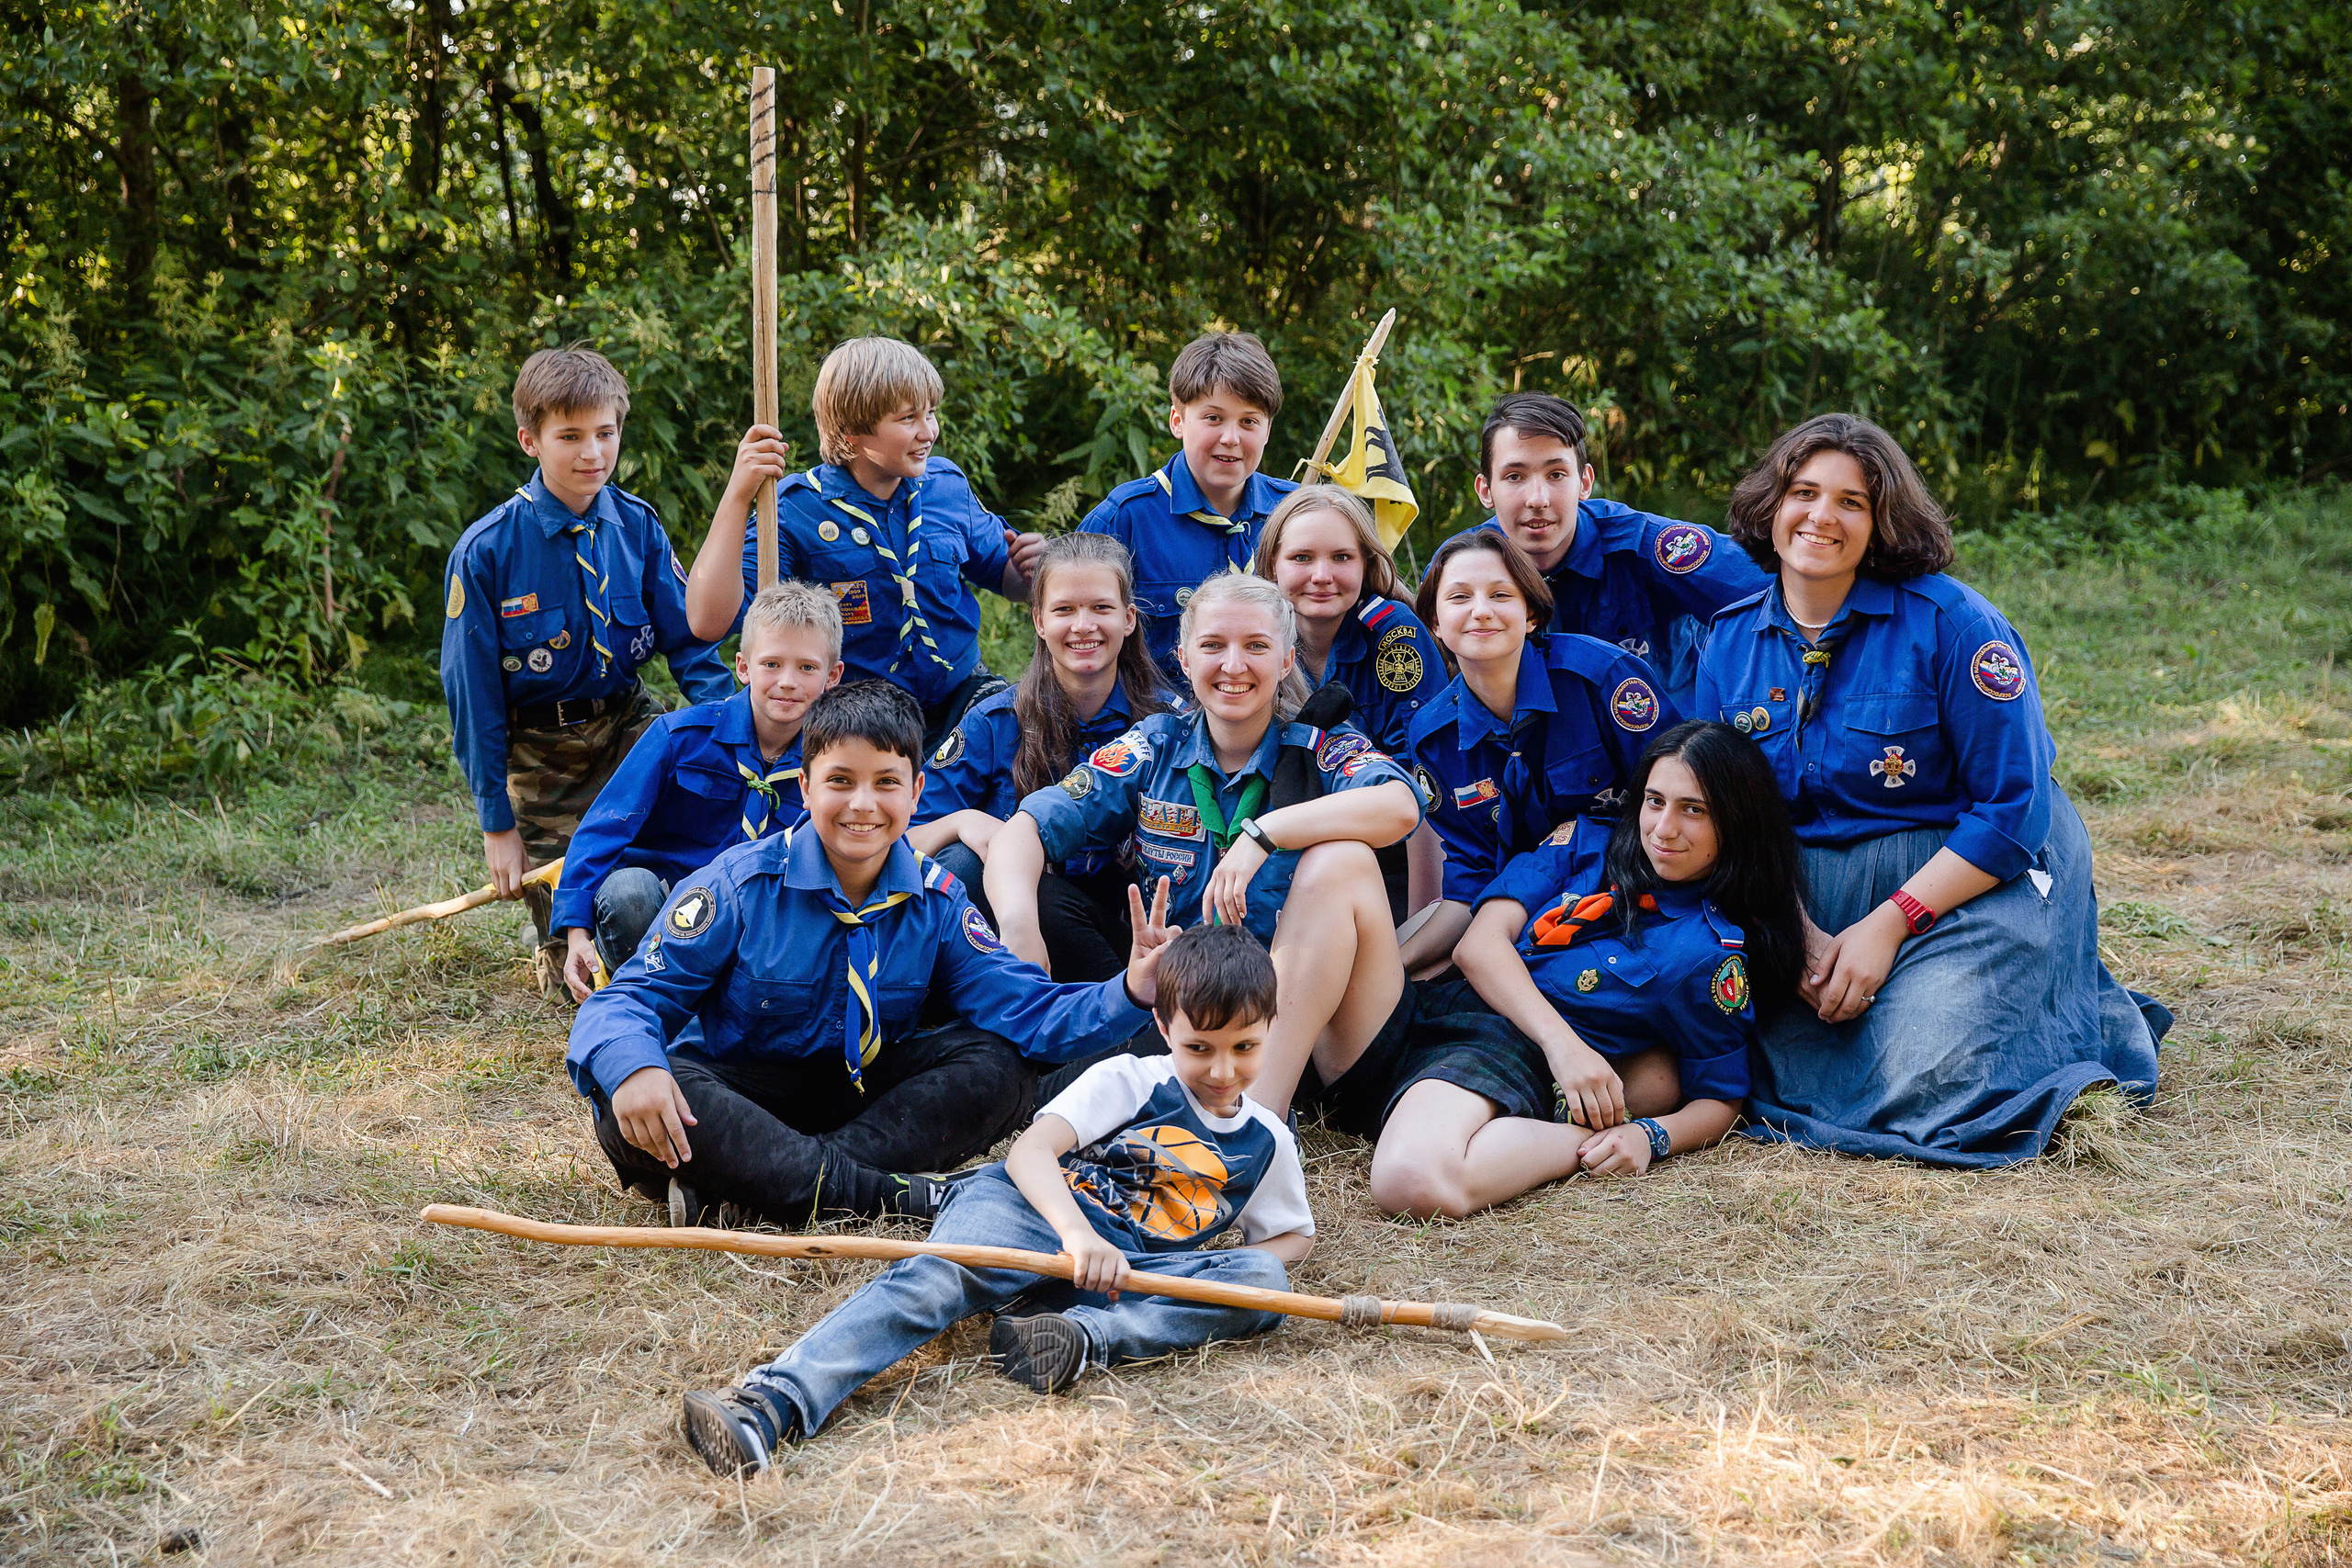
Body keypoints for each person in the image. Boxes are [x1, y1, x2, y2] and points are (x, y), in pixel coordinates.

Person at [1696, 412, 2167, 1167]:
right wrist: (1800, 936)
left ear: (1883, 522)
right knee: (1701, 1021)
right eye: (1804, 492)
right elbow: (1724, 819)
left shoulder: (1958, 626)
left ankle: (2058, 1006)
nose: (1822, 516)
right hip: (1806, 892)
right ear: (1771, 505)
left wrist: (1890, 925)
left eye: (1852, 501)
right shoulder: (1727, 639)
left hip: (1970, 877)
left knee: (1937, 1063)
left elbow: (2014, 808)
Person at [675, 924, 1312, 1473]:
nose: (1222, 1069)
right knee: (931, 1281)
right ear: (1162, 1024)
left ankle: (1083, 1336)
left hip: (1121, 1276)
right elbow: (1029, 1153)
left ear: (1270, 1028)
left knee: (1261, 1279)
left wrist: (1192, 1274)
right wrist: (1077, 1232)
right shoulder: (1129, 1079)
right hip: (1034, 1211)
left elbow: (1291, 1237)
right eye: (1199, 1047)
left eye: (1244, 1047)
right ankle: (771, 1404)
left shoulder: (1268, 1142)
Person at [566, 681, 1175, 1229]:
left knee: (998, 1064)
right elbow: (626, 1001)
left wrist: (1130, 990)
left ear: (916, 793)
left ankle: (765, 1187)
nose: (863, 804)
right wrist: (636, 1067)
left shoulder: (936, 901)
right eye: (840, 781)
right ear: (804, 788)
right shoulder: (739, 886)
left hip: (862, 1100)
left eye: (886, 782)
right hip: (744, 1095)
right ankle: (893, 1197)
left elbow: (1031, 1011)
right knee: (632, 1095)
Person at [987, 570, 1423, 1113]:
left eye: (1257, 646)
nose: (1234, 666)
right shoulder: (1155, 747)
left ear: (1287, 660)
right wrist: (1020, 927)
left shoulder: (1320, 746)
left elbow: (1400, 806)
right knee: (1045, 899)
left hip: (1317, 1031)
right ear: (1185, 658)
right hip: (1196, 1012)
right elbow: (1026, 827)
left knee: (1342, 858)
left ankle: (1257, 1119)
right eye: (1213, 645)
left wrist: (1263, 834)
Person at [1362, 722, 1807, 1218]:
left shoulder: (1705, 956)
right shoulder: (1587, 841)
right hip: (1435, 1006)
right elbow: (1479, 946)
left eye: (1694, 810)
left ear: (1738, 821)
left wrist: (1649, 1134)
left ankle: (1571, 1134)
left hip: (1495, 1051)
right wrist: (1565, 1048)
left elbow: (1721, 1099)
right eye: (1655, 801)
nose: (1663, 829)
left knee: (1412, 1181)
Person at [440, 345, 735, 976]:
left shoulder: (636, 527)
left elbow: (689, 644)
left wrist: (738, 729)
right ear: (530, 440)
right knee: (576, 955)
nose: (593, 453)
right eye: (570, 436)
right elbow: (475, 699)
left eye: (605, 433)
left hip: (628, 728)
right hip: (540, 758)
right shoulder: (487, 552)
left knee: (666, 870)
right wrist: (499, 825)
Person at [680, 337, 1046, 753]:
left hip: (960, 699)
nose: (929, 432)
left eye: (931, 413)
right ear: (852, 432)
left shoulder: (945, 486)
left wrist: (1029, 570)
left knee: (1026, 739)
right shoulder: (797, 511)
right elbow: (707, 621)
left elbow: (1006, 578)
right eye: (908, 418)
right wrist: (737, 495)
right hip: (858, 718)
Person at [1399, 530, 1679, 977]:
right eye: (1459, 597)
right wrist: (1396, 965)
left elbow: (1684, 804)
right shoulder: (1433, 737)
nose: (1481, 611)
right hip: (1517, 919)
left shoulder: (1601, 679)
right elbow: (1471, 880)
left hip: (1639, 894)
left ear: (1531, 612)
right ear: (1434, 622)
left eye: (1500, 594)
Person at [548, 582, 845, 1002]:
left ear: (833, 675)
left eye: (807, 668)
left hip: (770, 923)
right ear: (743, 667)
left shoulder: (833, 763)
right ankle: (640, 1002)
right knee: (628, 892)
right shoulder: (678, 738)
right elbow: (602, 831)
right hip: (667, 913)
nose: (787, 682)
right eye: (772, 664)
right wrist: (576, 932)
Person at [909, 534, 1177, 982]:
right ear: (1038, 620)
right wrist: (961, 823)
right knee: (963, 862)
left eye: (1101, 608)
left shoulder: (1168, 725)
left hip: (1138, 939)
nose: (1083, 625)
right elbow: (898, 841)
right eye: (1064, 610)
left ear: (1129, 618)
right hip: (1015, 944)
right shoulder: (995, 722)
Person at [1438, 393, 1767, 709]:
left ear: (1584, 481)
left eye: (1556, 474)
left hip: (1667, 751)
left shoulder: (1648, 547)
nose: (1537, 499)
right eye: (1514, 476)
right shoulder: (1459, 573)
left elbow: (1776, 591)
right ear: (1485, 489)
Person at [1251, 485, 1445, 920]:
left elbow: (1425, 781)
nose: (1322, 575)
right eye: (1301, 558)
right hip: (1276, 849)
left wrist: (1421, 926)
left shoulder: (1393, 635)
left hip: (1388, 857)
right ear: (1272, 566)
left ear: (1366, 564)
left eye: (1342, 557)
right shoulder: (1253, 636)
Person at [1079, 332, 1298, 681]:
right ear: (1178, 421)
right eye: (1213, 418)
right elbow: (1075, 640)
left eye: (1249, 421)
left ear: (1268, 429)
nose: (1231, 437)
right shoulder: (1124, 520)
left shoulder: (1295, 515)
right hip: (1157, 727)